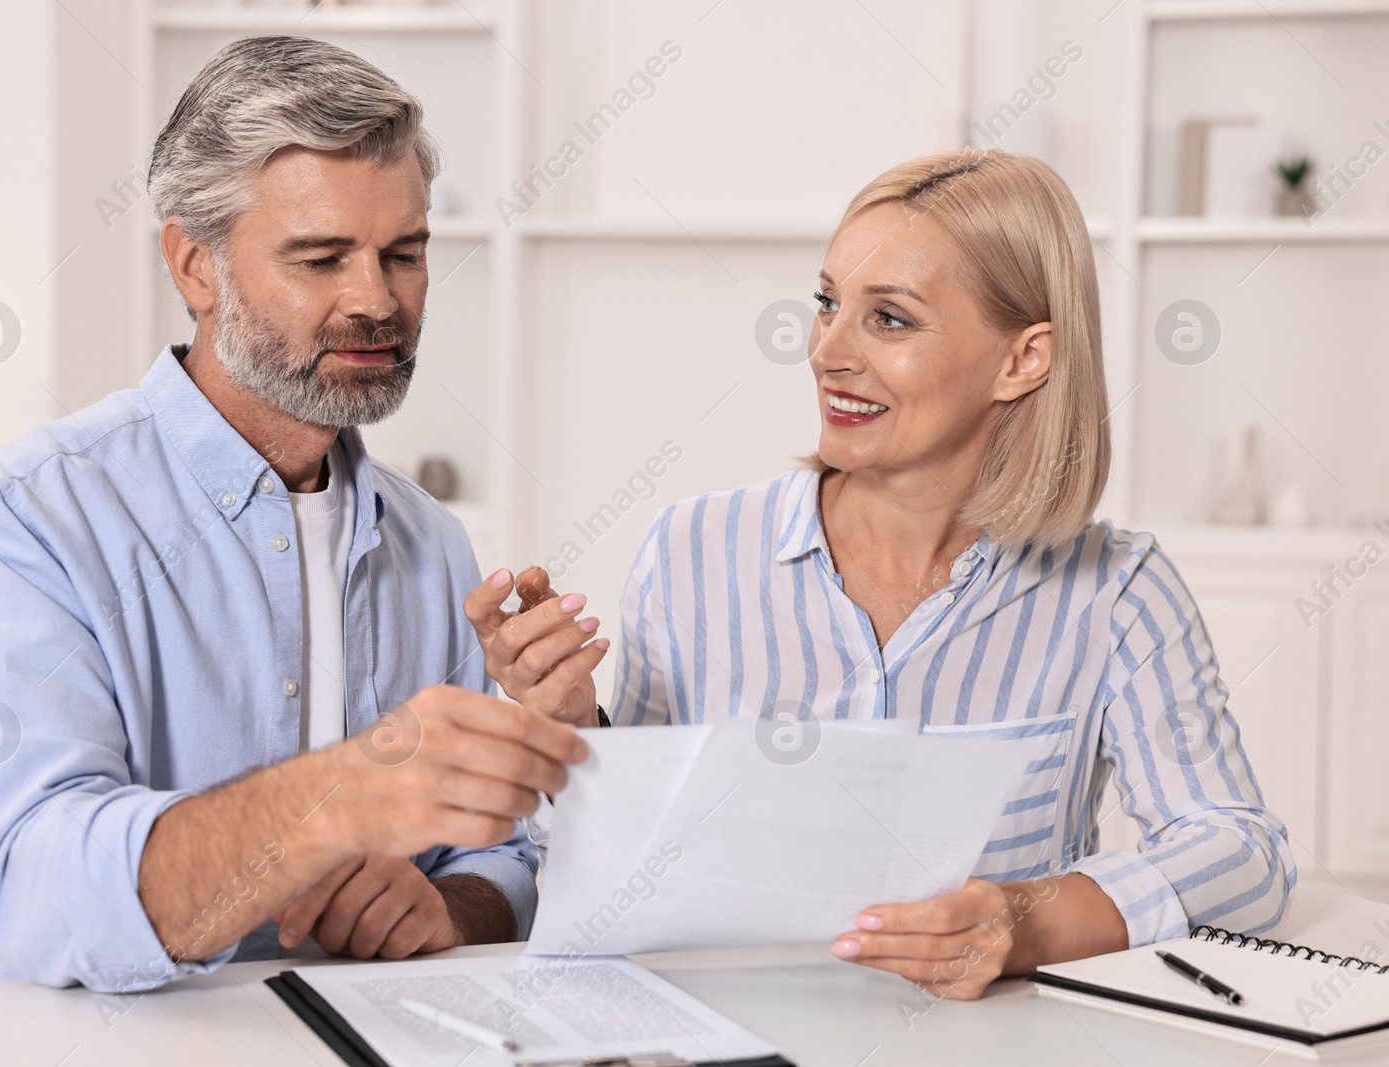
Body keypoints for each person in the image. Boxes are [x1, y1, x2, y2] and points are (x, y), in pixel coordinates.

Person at [466, 149, 1296, 1000]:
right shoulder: (694, 550)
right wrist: (570, 725)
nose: (829, 350)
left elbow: (1243, 850)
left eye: (889, 319)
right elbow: (623, 870)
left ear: (1024, 359)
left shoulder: (1116, 588)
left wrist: (1026, 919)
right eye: (828, 303)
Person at [0, 35, 586, 992]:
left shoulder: (429, 542)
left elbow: (505, 854)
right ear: (196, 266)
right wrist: (336, 801)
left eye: (404, 254)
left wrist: (448, 905)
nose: (376, 299)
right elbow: (37, 887)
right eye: (321, 258)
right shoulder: (21, 520)